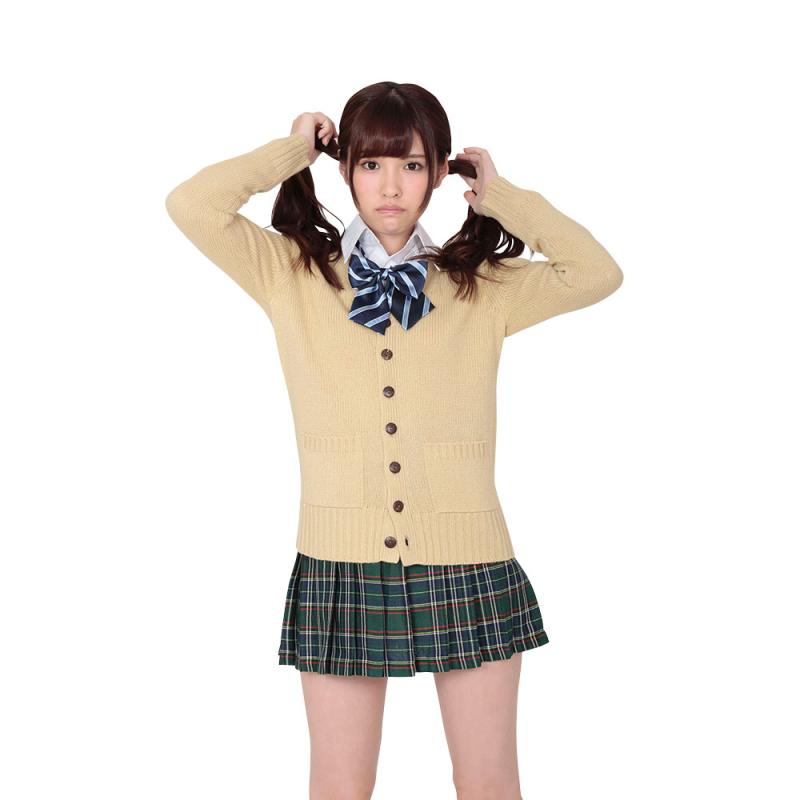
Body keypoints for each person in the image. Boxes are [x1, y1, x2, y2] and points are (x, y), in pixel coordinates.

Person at [165, 81, 623, 800]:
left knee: (488, 783)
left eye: (411, 165)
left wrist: (502, 198)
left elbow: (597, 273)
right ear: (345, 169)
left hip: (469, 559)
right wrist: (292, 151)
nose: (389, 186)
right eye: (371, 163)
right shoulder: (292, 273)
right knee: (339, 787)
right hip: (340, 561)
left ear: (438, 172)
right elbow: (191, 205)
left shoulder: (481, 285)